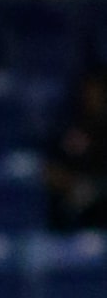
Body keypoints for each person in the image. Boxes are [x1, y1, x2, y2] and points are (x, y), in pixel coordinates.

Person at [46, 66, 107, 229]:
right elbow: (47, 169)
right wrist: (73, 184)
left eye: (99, 92)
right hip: (75, 202)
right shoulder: (68, 125)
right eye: (89, 91)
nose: (93, 97)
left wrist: (97, 188)